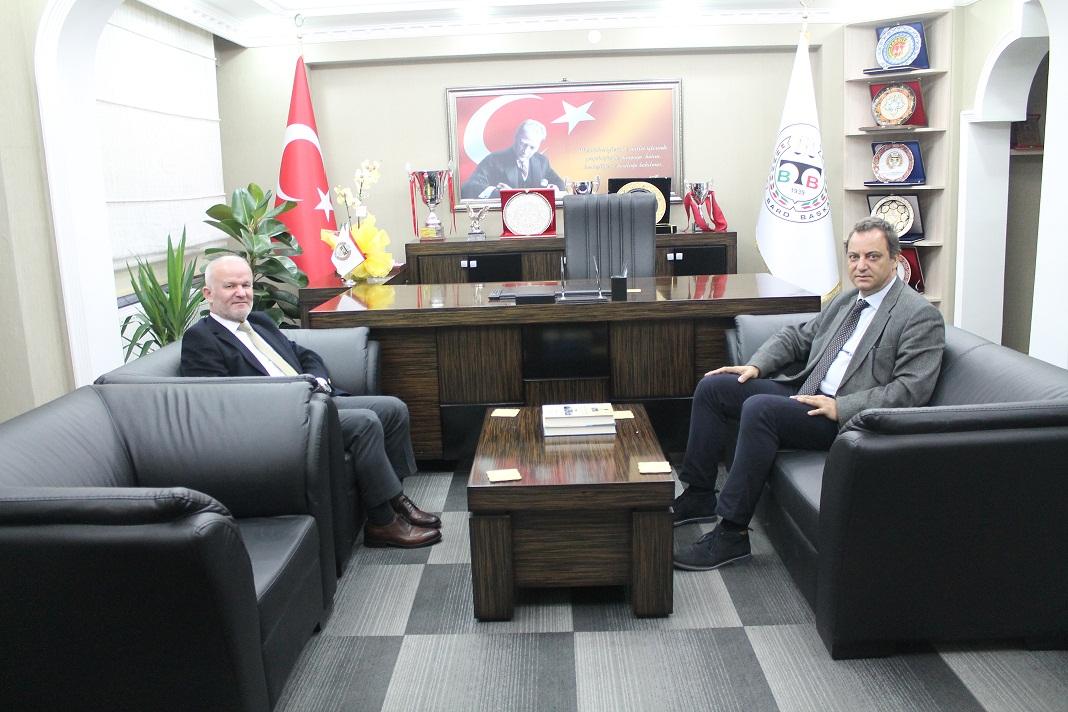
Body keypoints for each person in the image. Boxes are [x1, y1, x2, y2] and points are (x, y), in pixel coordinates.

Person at [672, 217, 944, 570]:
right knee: (715, 387)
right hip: (807, 391)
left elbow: (911, 390)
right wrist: (756, 366)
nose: (861, 266)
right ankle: (698, 494)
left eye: (873, 256)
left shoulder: (918, 315)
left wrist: (842, 406)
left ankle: (732, 534)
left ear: (895, 259)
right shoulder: (848, 301)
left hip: (846, 418)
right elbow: (796, 337)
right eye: (854, 257)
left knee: (761, 409)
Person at [181, 255, 441, 549]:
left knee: (393, 409)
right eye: (230, 286)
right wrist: (291, 393)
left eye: (246, 285)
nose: (241, 293)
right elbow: (217, 399)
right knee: (365, 423)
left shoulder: (258, 322)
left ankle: (396, 500)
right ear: (208, 294)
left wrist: (318, 379)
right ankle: (383, 523)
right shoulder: (201, 339)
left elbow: (303, 354)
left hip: (314, 401)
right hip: (278, 420)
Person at [461, 119, 565, 199]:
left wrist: (555, 188)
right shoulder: (493, 160)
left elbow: (559, 184)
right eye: (523, 144)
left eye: (532, 147)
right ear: (516, 137)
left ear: (539, 145)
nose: (525, 151)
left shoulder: (542, 161)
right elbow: (470, 186)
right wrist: (500, 193)